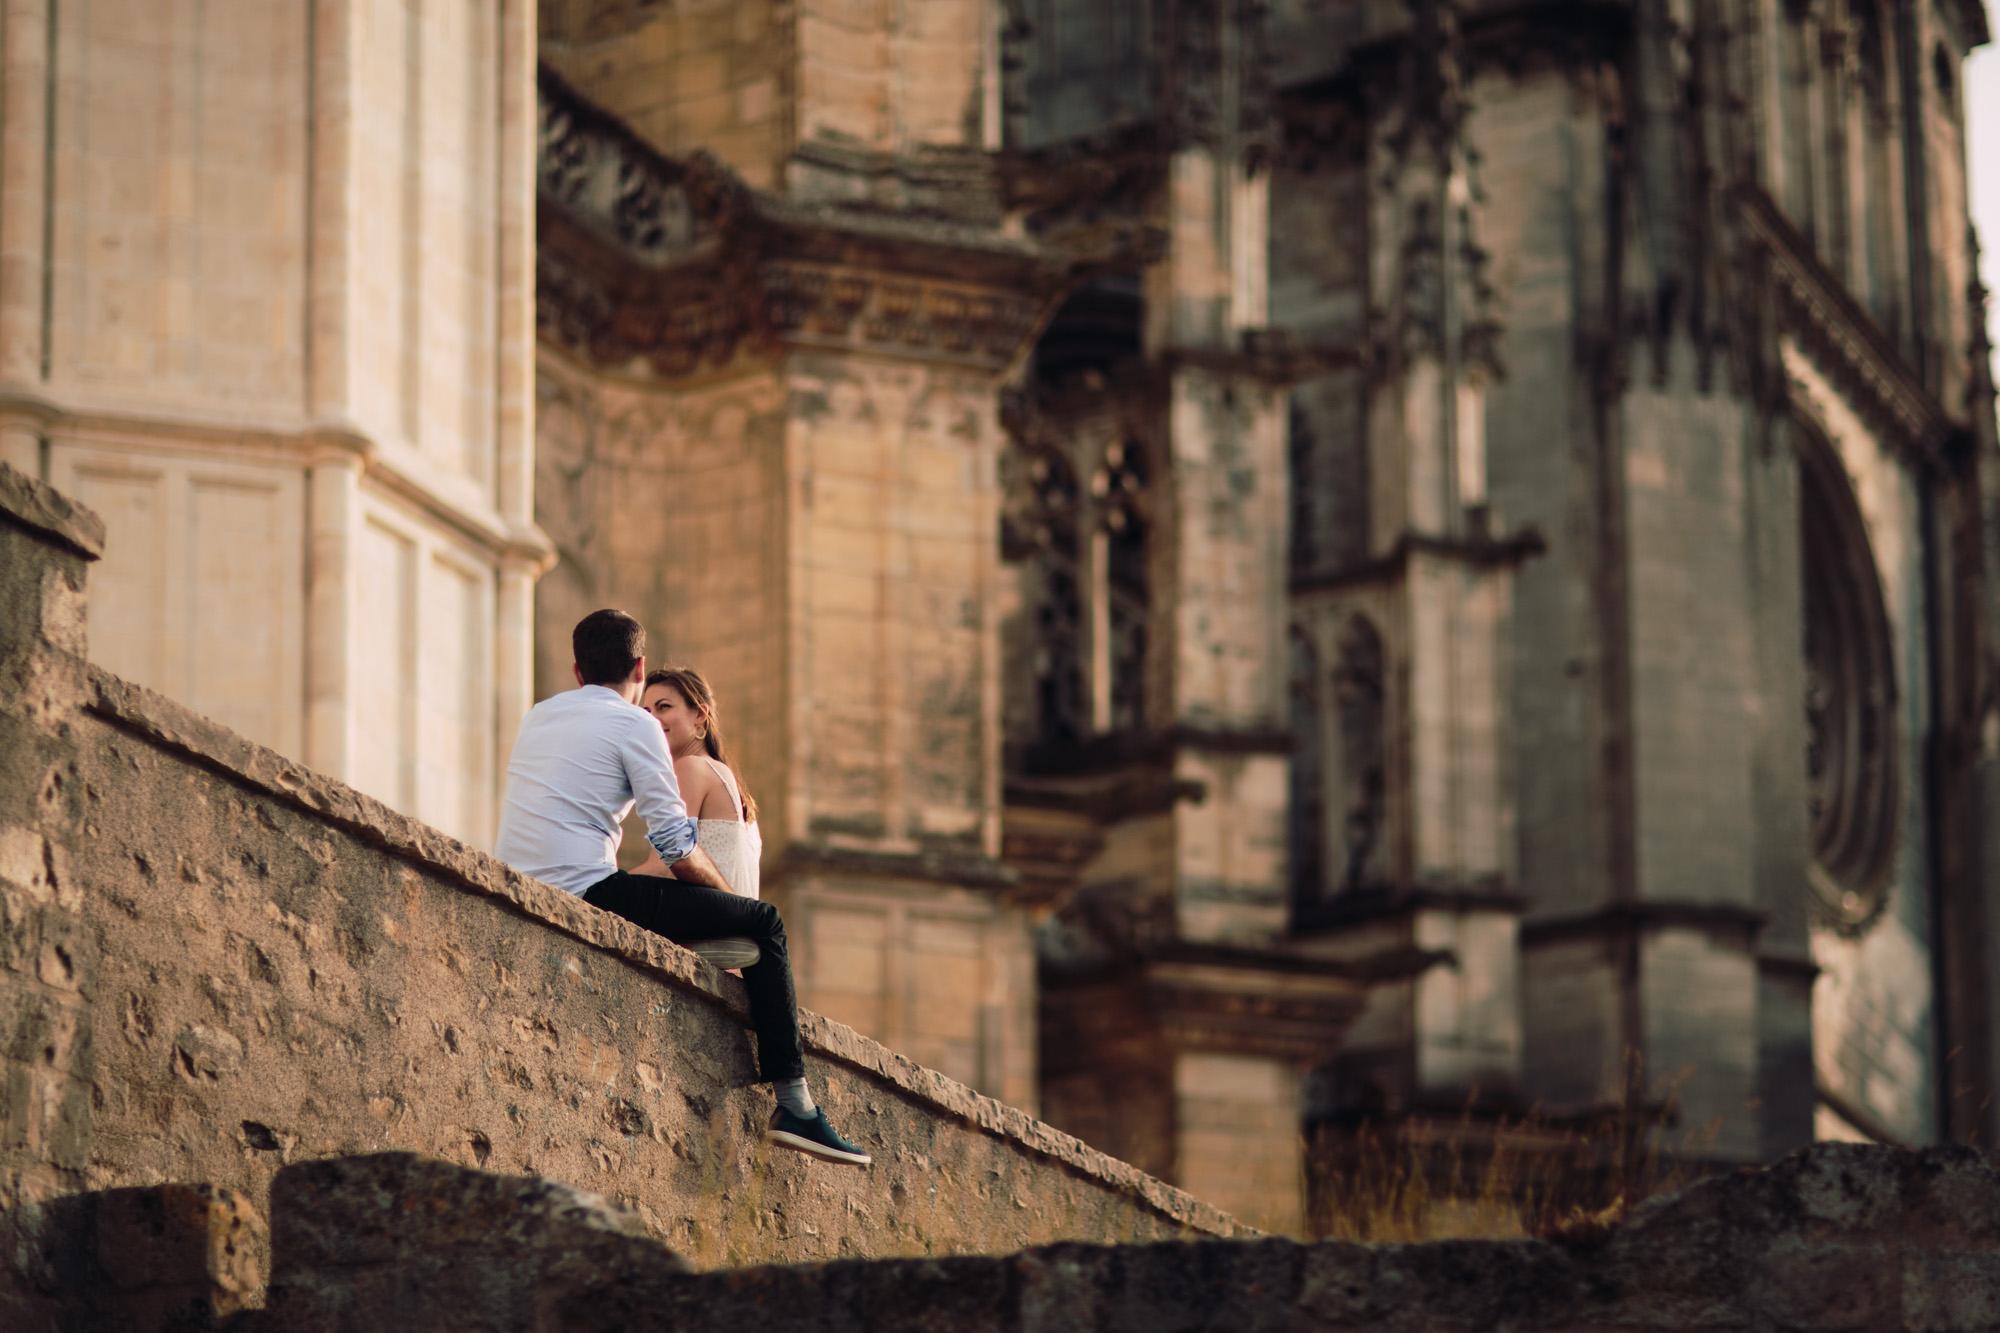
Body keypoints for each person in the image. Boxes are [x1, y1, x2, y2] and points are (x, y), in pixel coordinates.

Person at [494, 610, 870, 1167]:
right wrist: (731, 905)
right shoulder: (633, 724)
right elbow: (674, 842)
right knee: (763, 923)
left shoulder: (538, 717)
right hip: (585, 889)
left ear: (577, 670)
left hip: (521, 882)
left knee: (704, 911)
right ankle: (796, 1105)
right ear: (640, 669)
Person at [629, 666, 762, 902]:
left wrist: (595, 890)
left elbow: (662, 867)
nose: (652, 720)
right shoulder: (725, 779)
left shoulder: (692, 767)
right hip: (736, 931)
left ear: (700, 714)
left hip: (713, 934)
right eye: (647, 712)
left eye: (664, 707)